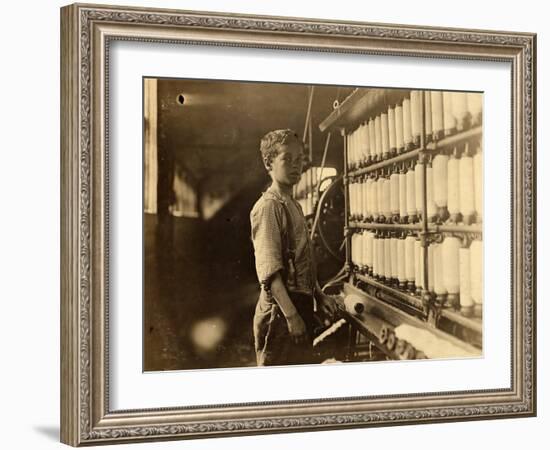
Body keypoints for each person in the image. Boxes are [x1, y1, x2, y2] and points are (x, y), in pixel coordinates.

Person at [250, 129, 338, 366]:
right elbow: (270, 273)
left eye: (299, 160)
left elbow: (302, 260)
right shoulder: (269, 207)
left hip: (298, 304)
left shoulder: (294, 206)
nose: (295, 165)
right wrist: (292, 317)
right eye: (287, 159)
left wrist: (319, 295)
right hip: (280, 310)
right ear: (269, 162)